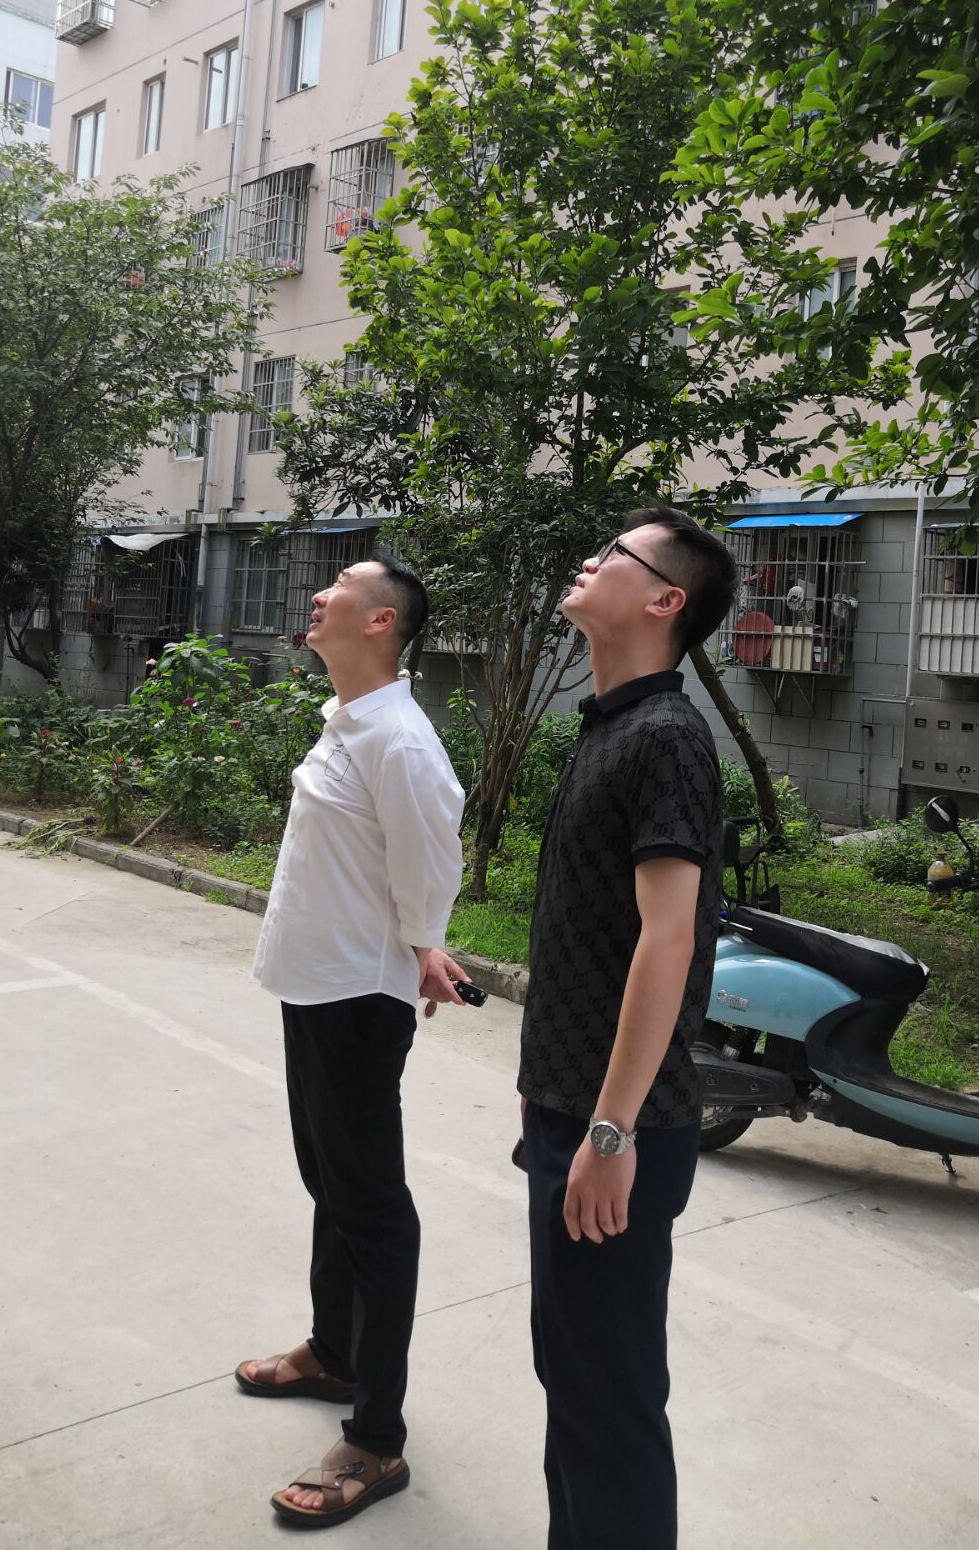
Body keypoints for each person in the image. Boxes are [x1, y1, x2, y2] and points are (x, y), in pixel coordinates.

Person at [236, 549, 471, 1529]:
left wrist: (422, 946)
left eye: (339, 586)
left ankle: (377, 1438)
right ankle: (335, 1352)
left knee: (372, 1210)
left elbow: (432, 858)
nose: (319, 594)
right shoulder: (349, 720)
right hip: (312, 985)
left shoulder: (400, 743)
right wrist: (418, 941)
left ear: (380, 622)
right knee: (330, 1185)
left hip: (354, 1001)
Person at [518, 505, 737, 1550]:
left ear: (664, 601)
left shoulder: (666, 739)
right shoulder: (611, 723)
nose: (588, 559)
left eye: (614, 554)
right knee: (573, 1378)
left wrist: (611, 1133)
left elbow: (669, 939)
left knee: (608, 1399)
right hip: (570, 1110)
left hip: (618, 1128)